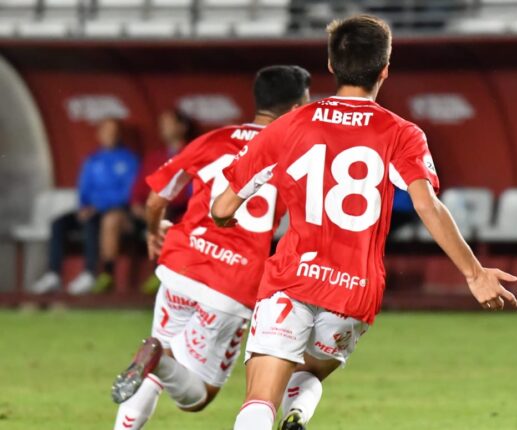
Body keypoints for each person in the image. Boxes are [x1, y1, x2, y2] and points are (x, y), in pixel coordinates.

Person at [211, 15, 517, 430]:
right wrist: (474, 273)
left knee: (261, 398)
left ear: (332, 65)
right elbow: (429, 206)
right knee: (310, 372)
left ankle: (285, 412)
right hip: (354, 290)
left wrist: (226, 218)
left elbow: (224, 205)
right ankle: (299, 413)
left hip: (292, 278)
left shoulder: (290, 124)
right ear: (385, 69)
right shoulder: (401, 133)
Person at [109, 65, 317, 430]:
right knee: (199, 395)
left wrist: (153, 232)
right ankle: (157, 358)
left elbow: (158, 197)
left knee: (159, 364)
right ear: (296, 106)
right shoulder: (296, 152)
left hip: (180, 264)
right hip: (231, 283)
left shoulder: (216, 138)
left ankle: (153, 363)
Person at [31, 118, 139, 295]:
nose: (110, 135)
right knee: (58, 223)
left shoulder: (128, 160)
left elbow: (127, 192)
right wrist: (83, 206)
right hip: (90, 209)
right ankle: (53, 274)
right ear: (99, 134)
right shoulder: (92, 160)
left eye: (113, 131)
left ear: (119, 134)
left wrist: (98, 206)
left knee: (92, 222)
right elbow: (84, 188)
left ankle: (89, 273)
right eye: (106, 130)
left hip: (114, 211)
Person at [131, 109, 196, 294]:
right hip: (155, 209)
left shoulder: (194, 151)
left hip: (185, 209)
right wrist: (137, 206)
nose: (163, 128)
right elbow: (138, 191)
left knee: (164, 215)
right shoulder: (155, 157)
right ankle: (159, 272)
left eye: (168, 123)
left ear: (182, 127)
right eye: (162, 124)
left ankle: (167, 274)